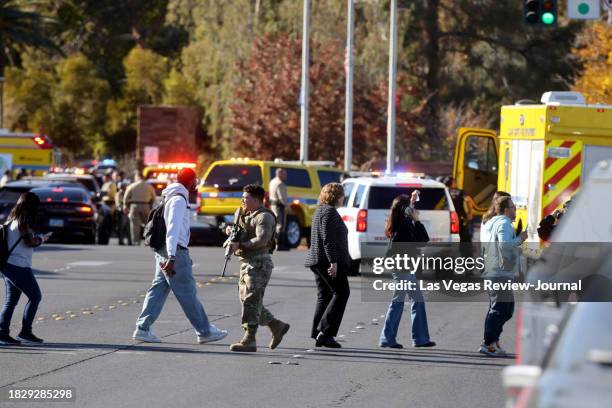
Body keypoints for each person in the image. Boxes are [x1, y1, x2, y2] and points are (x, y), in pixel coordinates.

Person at [133, 168, 228, 344]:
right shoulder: (178, 199)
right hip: (174, 251)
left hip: (164, 250)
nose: (197, 183)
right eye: (195, 180)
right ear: (190, 181)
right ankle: (204, 331)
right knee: (187, 292)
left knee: (159, 289)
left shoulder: (172, 195)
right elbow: (173, 229)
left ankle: (142, 328)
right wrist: (172, 256)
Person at [225, 184, 290, 352]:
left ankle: (250, 339)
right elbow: (241, 231)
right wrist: (231, 231)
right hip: (246, 262)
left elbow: (262, 239)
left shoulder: (264, 217)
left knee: (250, 300)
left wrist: (241, 244)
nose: (242, 200)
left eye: (245, 198)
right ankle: (276, 325)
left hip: (259, 263)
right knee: (248, 300)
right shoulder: (244, 214)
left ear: (256, 200)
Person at [379, 192, 436, 349]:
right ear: (406, 211)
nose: (415, 212)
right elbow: (423, 239)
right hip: (402, 266)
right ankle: (388, 338)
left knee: (415, 300)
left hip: (402, 266)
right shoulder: (405, 225)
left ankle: (419, 339)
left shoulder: (399, 219)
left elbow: (406, 209)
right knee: (399, 301)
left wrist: (412, 201)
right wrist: (417, 221)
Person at [0, 192, 51, 345]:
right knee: (35, 296)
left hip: (7, 265)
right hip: (19, 266)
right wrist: (42, 238)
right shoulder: (23, 222)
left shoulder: (11, 220)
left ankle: (3, 333)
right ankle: (25, 332)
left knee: (11, 301)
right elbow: (31, 242)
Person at [479, 195, 527, 357]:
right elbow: (505, 245)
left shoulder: (491, 222)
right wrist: (520, 239)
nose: (515, 210)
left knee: (505, 309)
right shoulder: (504, 223)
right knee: (500, 309)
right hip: (499, 273)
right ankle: (488, 344)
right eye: (513, 207)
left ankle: (493, 341)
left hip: (494, 271)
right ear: (507, 210)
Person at [305, 183, 351, 348]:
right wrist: (334, 262)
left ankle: (319, 334)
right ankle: (325, 332)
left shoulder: (321, 211)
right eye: (342, 195)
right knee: (342, 293)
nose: (343, 198)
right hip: (327, 261)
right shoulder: (330, 212)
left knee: (324, 296)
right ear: (336, 196)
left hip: (318, 259)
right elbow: (328, 239)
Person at [123, 171, 156, 245]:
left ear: (137, 176)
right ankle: (147, 240)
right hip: (145, 205)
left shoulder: (132, 185)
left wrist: (125, 206)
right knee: (148, 224)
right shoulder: (148, 186)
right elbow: (154, 197)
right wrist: (151, 205)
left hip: (134, 205)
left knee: (135, 224)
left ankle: (135, 242)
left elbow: (126, 196)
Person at [444, 176, 474, 242]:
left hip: (447, 218)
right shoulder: (460, 191)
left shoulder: (445, 191)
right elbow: (468, 201)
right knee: (464, 237)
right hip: (460, 217)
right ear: (453, 183)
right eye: (455, 182)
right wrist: (469, 213)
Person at [269, 168, 288, 250]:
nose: (286, 176)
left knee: (275, 224)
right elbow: (281, 197)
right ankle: (279, 245)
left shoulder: (272, 181)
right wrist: (287, 206)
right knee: (281, 225)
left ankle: (273, 244)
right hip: (279, 205)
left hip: (272, 205)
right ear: (280, 174)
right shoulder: (280, 183)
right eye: (284, 174)